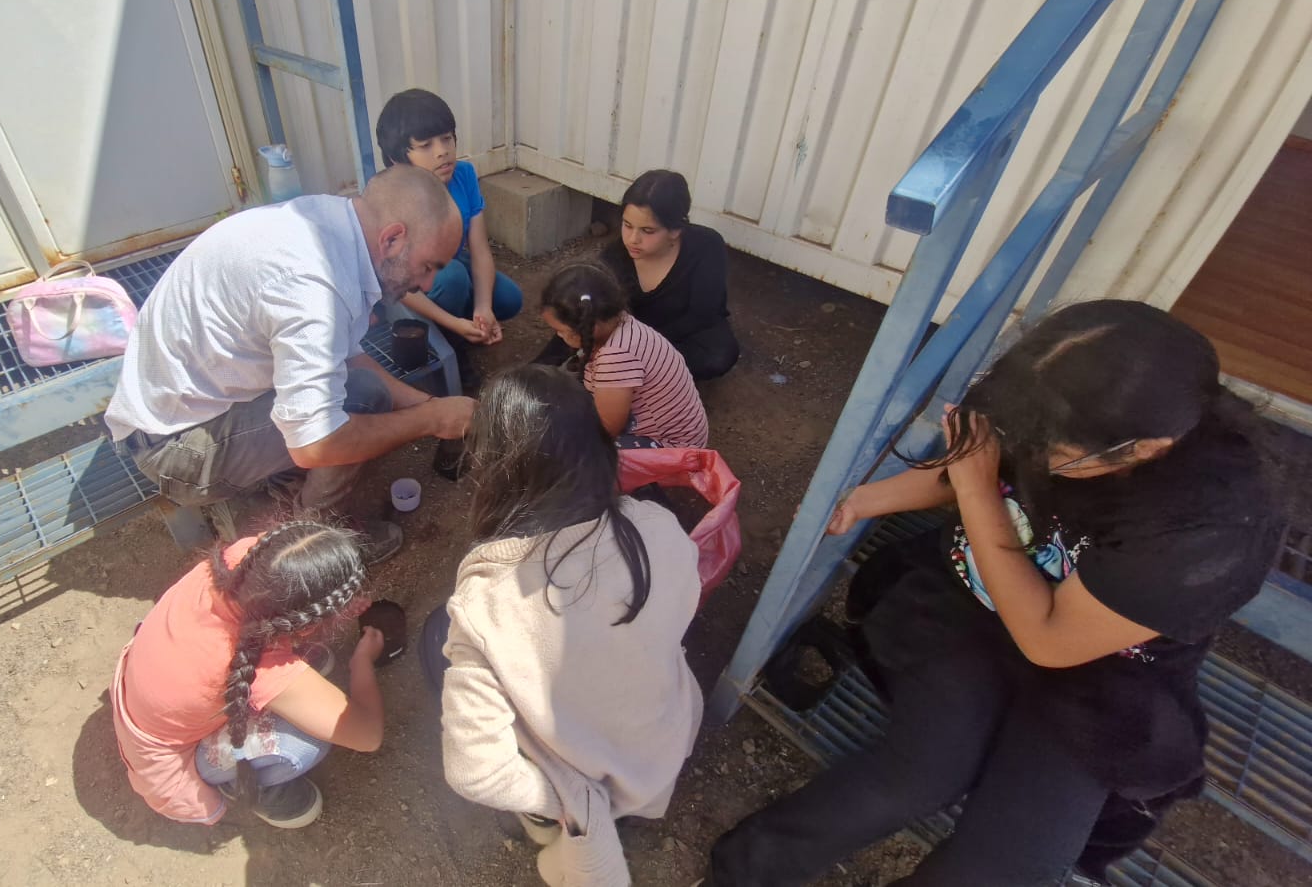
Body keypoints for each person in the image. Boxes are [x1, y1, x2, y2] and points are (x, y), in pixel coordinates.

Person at [708, 301, 1284, 885]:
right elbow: (973, 462)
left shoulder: (1210, 529)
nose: (1030, 456)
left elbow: (1049, 637)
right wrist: (860, 501)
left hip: (1099, 674)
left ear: (1143, 448)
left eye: (1052, 454)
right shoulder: (1046, 397)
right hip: (968, 612)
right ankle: (744, 870)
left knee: (1003, 869)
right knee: (915, 775)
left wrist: (978, 490)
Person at [418, 365, 704, 886]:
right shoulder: (659, 528)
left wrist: (576, 798)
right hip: (662, 742)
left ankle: (547, 819)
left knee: (437, 636)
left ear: (499, 467)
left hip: (592, 779)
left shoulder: (487, 603)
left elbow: (475, 772)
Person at [104, 165, 476, 560]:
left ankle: (276, 492)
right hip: (174, 448)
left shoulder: (334, 225)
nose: (429, 285)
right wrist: (432, 421)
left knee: (362, 391)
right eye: (429, 266)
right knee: (355, 406)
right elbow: (316, 443)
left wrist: (429, 405)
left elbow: (352, 359)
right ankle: (312, 548)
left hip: (191, 400)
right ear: (394, 239)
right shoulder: (313, 286)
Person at [111, 521, 387, 829]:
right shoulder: (256, 666)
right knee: (307, 742)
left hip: (149, 676)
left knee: (307, 682)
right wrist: (361, 661)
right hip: (170, 756)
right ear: (304, 623)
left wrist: (331, 607)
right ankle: (253, 787)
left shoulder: (242, 557)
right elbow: (368, 736)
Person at [536, 169, 739, 380]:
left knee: (719, 355)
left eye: (647, 231)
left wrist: (643, 349)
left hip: (684, 331)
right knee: (579, 322)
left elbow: (702, 314)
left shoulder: (706, 246)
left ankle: (636, 374)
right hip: (629, 330)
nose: (633, 239)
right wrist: (539, 370)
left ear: (675, 230)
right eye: (627, 225)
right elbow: (585, 312)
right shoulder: (614, 258)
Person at [374, 89, 523, 355]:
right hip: (408, 290)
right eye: (426, 145)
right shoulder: (392, 197)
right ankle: (449, 346)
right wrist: (453, 324)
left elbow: (479, 250)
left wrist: (483, 308)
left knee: (509, 298)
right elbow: (400, 285)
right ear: (398, 158)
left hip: (450, 267)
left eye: (447, 139)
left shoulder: (464, 175)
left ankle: (468, 324)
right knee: (452, 278)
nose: (443, 152)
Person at [540, 262, 709, 449]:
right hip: (678, 432)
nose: (558, 335)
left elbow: (608, 429)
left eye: (561, 331)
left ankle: (651, 479)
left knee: (570, 449)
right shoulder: (620, 321)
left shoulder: (616, 356)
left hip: (672, 450)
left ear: (590, 326)